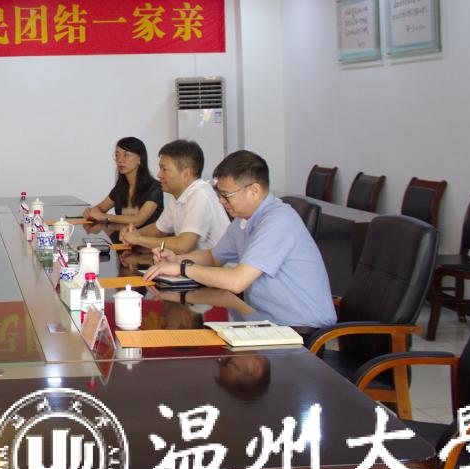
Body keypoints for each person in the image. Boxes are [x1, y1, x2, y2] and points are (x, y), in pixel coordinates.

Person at [143, 149, 337, 329]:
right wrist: (176, 259)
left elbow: (237, 281)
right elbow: (213, 257)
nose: (221, 201)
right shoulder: (244, 219)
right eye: (219, 194)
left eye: (226, 195)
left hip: (299, 330)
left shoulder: (278, 221)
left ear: (254, 191)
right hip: (263, 320)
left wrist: (183, 268)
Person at [120, 139, 230, 254]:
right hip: (192, 262)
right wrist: (134, 233)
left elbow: (183, 245)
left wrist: (139, 239)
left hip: (219, 265)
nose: (159, 174)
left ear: (186, 174)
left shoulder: (200, 195)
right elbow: (159, 229)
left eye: (164, 169)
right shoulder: (178, 194)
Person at [83, 136, 163, 228]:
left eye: (126, 155)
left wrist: (104, 217)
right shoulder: (120, 187)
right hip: (122, 236)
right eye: (117, 155)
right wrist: (90, 212)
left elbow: (138, 220)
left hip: (145, 236)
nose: (120, 160)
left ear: (140, 159)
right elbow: (100, 208)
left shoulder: (155, 188)